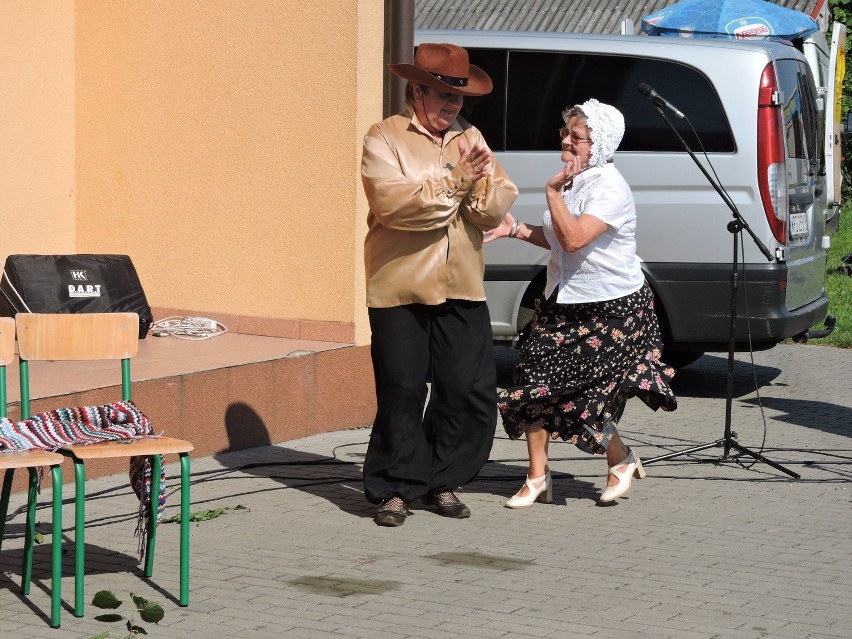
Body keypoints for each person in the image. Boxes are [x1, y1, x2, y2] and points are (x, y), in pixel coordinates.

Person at [484, 98, 676, 506]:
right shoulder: (575, 179)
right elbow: (558, 241)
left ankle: (621, 458)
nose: (568, 142)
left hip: (612, 308)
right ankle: (537, 477)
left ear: (600, 144)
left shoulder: (609, 187)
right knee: (534, 382)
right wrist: (516, 228)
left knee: (585, 393)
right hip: (562, 300)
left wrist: (551, 190)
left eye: (578, 137)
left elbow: (573, 238)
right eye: (566, 134)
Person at [360, 43, 518, 526]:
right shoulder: (382, 138)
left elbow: (494, 205)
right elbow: (397, 208)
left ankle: (441, 481)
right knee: (403, 388)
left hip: (462, 284)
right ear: (417, 90)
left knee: (467, 388)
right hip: (399, 286)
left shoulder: (471, 135)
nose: (453, 106)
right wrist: (456, 181)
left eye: (458, 98)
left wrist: (473, 186)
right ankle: (394, 488)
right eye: (444, 96)